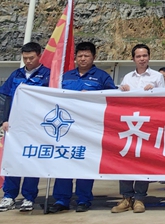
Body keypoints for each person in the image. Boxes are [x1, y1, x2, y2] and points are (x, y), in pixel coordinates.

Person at [48, 42, 116, 213]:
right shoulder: (66, 76)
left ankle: (83, 200)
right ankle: (61, 200)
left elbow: (112, 99)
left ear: (94, 57)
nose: (83, 59)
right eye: (80, 56)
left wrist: (93, 96)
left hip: (90, 128)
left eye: (87, 56)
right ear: (75, 57)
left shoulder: (102, 77)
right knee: (64, 161)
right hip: (66, 129)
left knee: (85, 162)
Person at [0, 42, 50, 213]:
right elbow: (8, 98)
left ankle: (29, 197)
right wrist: (5, 120)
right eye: (25, 58)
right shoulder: (16, 74)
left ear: (39, 56)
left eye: (31, 58)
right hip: (16, 126)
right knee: (13, 160)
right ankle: (9, 196)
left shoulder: (48, 75)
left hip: (37, 126)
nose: (28, 61)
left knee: (31, 160)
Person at [111, 44, 165, 214]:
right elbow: (119, 100)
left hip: (147, 125)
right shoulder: (127, 77)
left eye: (144, 56)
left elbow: (164, 100)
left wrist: (154, 91)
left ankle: (140, 198)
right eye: (138, 56)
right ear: (133, 59)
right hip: (128, 125)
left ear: (149, 57)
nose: (142, 59)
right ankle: (126, 198)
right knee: (125, 159)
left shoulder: (157, 77)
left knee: (143, 161)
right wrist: (122, 90)